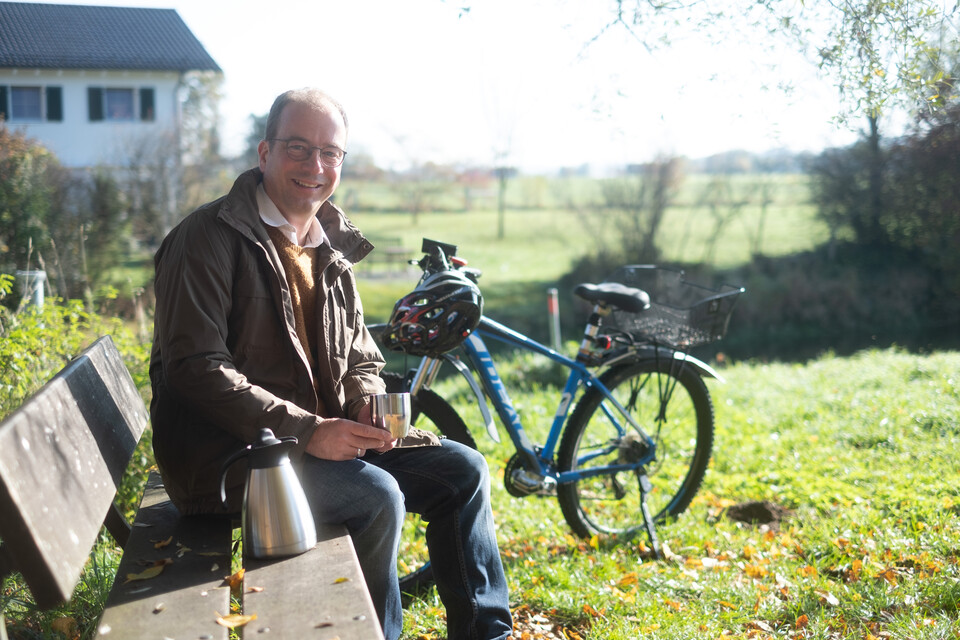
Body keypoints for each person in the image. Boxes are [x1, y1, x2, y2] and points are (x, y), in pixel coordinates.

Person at [149, 88, 513, 640]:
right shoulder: (206, 239)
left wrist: (365, 399)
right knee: (377, 496)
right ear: (265, 152)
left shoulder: (330, 247)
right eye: (298, 147)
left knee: (463, 471)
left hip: (317, 444)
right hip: (228, 459)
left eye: (330, 153)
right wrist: (308, 430)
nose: (315, 166)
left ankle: (487, 633)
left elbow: (361, 350)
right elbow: (195, 368)